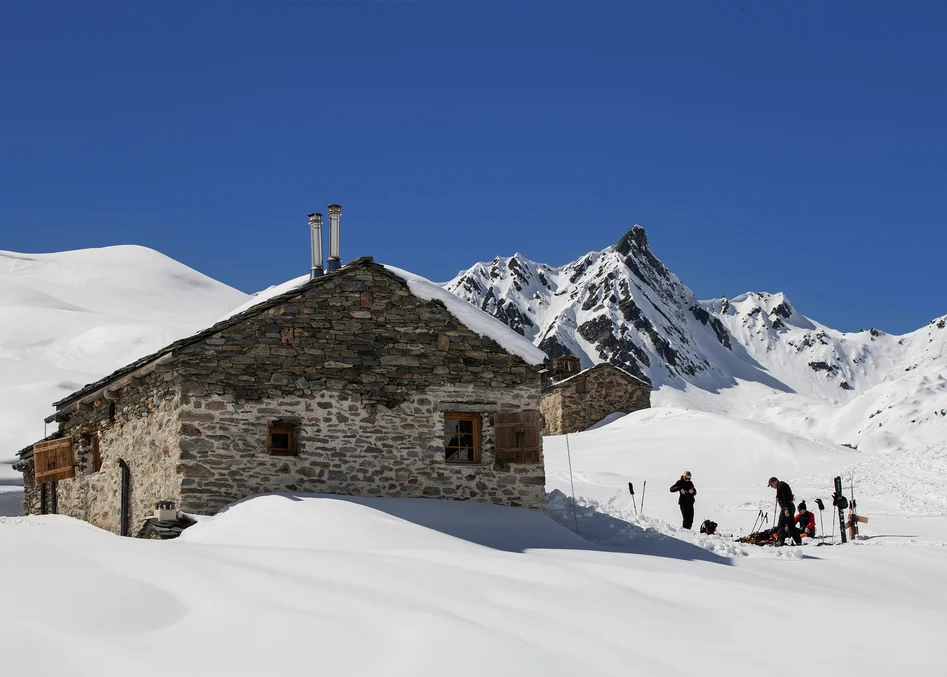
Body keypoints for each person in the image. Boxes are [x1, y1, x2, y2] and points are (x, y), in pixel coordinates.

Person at [768, 476, 802, 546]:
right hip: (790, 507)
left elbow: (785, 498)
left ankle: (780, 541)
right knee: (791, 525)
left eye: (771, 485)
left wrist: (786, 509)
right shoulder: (782, 485)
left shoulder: (781, 486)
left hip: (787, 507)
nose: (772, 487)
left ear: (775, 481)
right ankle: (798, 541)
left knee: (781, 524)